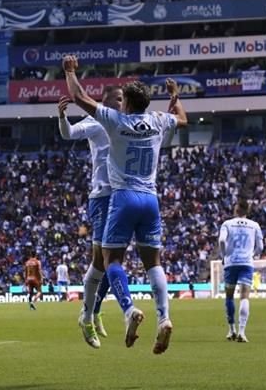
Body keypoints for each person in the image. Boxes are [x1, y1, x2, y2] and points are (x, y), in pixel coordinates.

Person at [63, 54, 187, 355]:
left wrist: (69, 71)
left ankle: (129, 309)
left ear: (127, 103)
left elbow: (78, 96)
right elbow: (182, 120)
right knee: (153, 264)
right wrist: (175, 97)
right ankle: (164, 318)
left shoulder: (115, 121)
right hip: (151, 199)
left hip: (123, 197)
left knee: (111, 261)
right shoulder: (158, 120)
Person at [58, 85, 124, 348]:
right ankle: (86, 316)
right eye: (118, 98)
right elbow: (69, 134)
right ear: (106, 100)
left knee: (115, 263)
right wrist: (62, 117)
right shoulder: (96, 120)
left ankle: (94, 311)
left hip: (122, 197)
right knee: (101, 260)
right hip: (102, 197)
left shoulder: (125, 122)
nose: (122, 102)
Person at [218, 199, 264, 342]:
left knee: (229, 297)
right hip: (246, 263)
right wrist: (253, 254)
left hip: (231, 263)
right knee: (244, 296)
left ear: (236, 209)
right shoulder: (254, 225)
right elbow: (261, 247)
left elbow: (221, 241)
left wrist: (224, 255)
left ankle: (231, 330)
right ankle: (242, 332)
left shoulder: (227, 224)